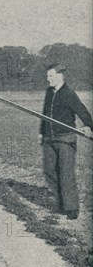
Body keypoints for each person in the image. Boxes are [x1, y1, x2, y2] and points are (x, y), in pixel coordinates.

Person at [39, 63, 93, 220]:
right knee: (50, 171)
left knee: (66, 173)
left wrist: (89, 126)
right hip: (49, 138)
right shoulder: (49, 92)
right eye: (47, 75)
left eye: (50, 75)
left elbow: (82, 110)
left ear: (60, 75)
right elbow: (44, 114)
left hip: (65, 138)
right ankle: (61, 204)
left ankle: (71, 208)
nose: (47, 79)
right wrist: (41, 133)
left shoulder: (68, 93)